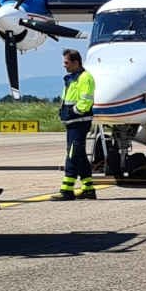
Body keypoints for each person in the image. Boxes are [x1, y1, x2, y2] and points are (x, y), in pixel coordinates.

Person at [56, 48, 97, 201]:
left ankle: (67, 189)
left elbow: (86, 100)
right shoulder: (71, 78)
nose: (64, 65)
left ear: (76, 62)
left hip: (79, 122)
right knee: (79, 155)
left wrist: (74, 111)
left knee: (72, 155)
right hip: (72, 122)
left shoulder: (85, 78)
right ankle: (88, 188)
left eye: (66, 62)